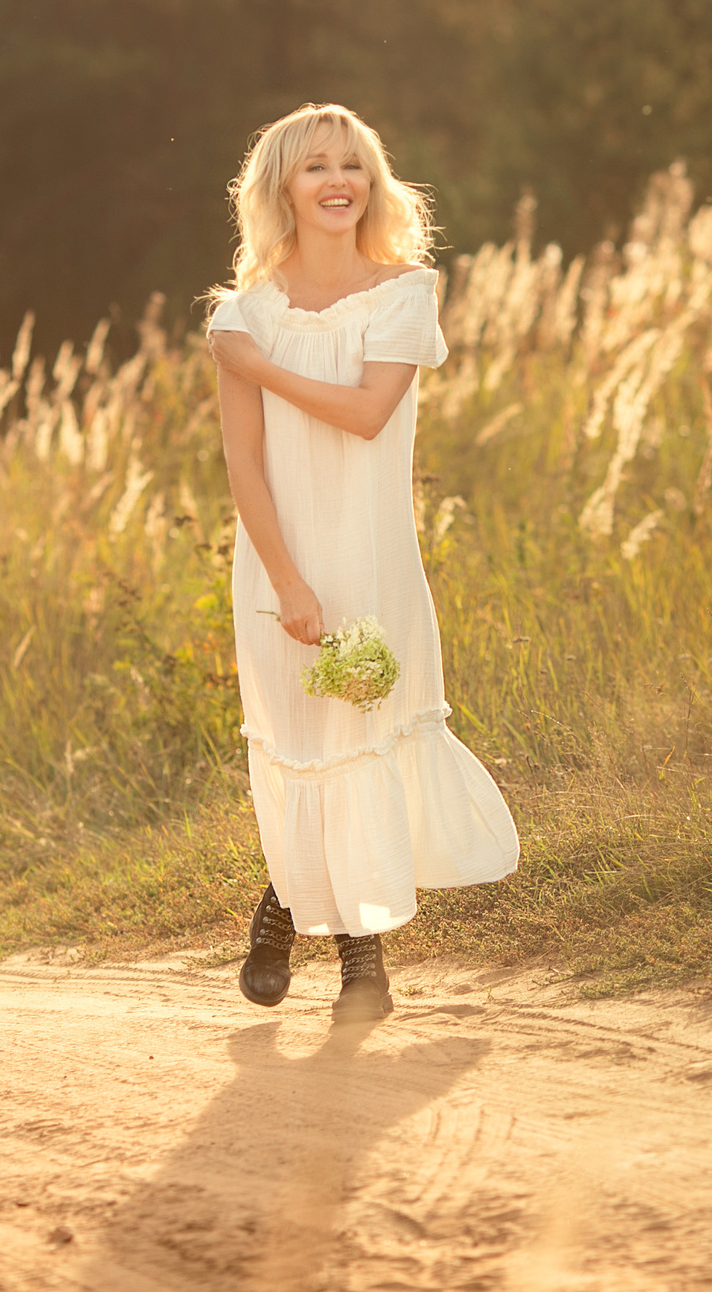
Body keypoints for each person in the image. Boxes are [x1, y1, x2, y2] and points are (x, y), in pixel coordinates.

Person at [205, 103, 520, 1022]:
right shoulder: (242, 316)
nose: (338, 180)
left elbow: (368, 412)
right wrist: (286, 581)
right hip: (280, 561)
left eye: (352, 164)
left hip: (371, 559)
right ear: (283, 188)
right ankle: (334, 941)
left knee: (358, 733)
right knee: (305, 743)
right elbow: (243, 463)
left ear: (372, 183)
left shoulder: (404, 293)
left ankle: (326, 939)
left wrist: (257, 365)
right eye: (316, 167)